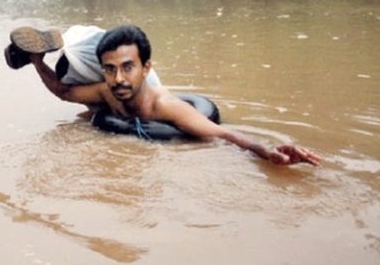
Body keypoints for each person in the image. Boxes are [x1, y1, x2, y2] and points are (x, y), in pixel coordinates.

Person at [17, 25, 321, 167]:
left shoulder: (164, 107)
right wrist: (35, 62)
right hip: (113, 114)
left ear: (146, 68)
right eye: (109, 69)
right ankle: (47, 48)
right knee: (85, 114)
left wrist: (267, 152)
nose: (118, 78)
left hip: (149, 116)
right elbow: (64, 91)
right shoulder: (105, 90)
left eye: (127, 68)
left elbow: (223, 134)